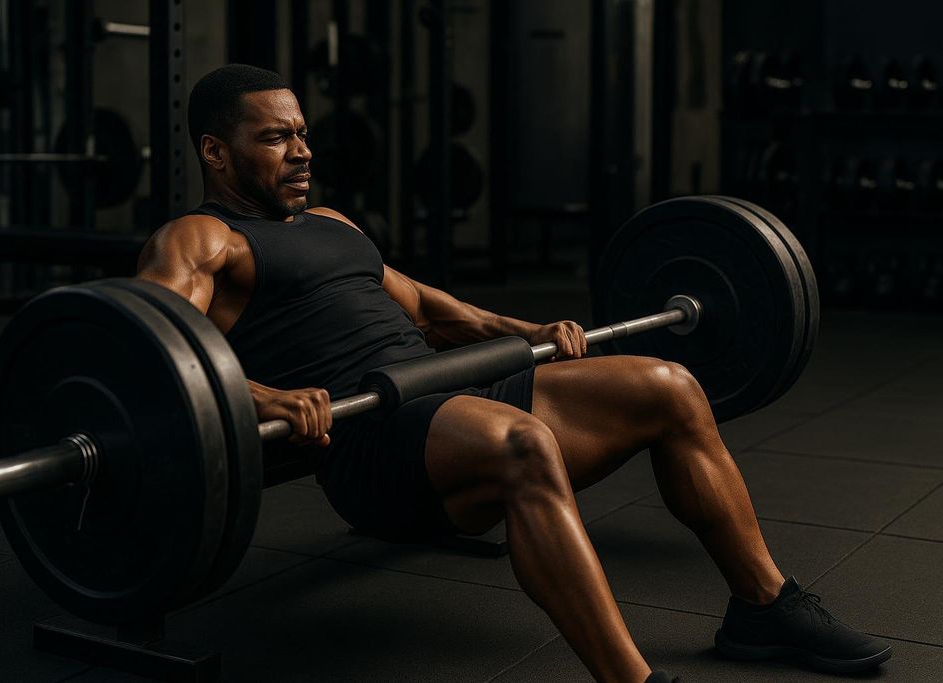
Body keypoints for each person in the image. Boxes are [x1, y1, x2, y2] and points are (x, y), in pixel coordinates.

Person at [136, 64, 891, 683]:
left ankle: (763, 606)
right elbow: (157, 345)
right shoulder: (204, 237)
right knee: (524, 443)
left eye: (302, 132)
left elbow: (430, 307)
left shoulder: (332, 224)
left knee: (670, 386)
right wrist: (267, 395)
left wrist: (520, 329)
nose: (301, 150)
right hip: (372, 434)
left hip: (445, 393)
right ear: (215, 152)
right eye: (275, 138)